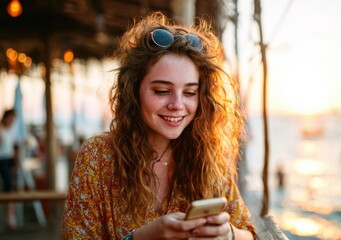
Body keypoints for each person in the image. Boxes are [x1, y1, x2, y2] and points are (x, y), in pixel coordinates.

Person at [62, 12, 255, 240]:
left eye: (190, 92)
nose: (177, 105)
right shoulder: (97, 157)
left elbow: (250, 233)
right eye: (162, 91)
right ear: (133, 91)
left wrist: (230, 234)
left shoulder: (208, 155)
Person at [0, 109, 17, 229]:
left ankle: (10, 217)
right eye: (11, 119)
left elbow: (12, 145)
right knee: (9, 187)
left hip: (8, 160)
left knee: (10, 187)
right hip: (1, 159)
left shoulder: (11, 129)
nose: (12, 121)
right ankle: (10, 218)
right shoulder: (1, 128)